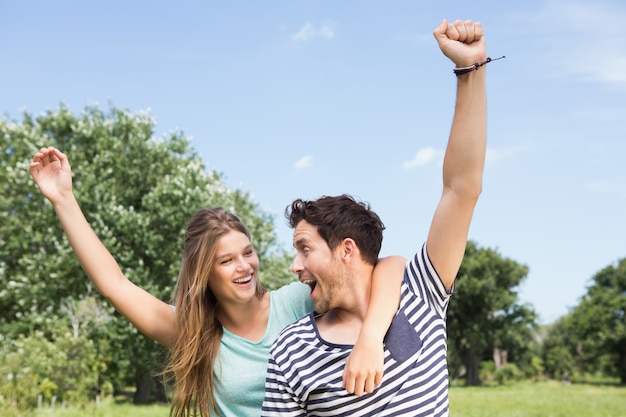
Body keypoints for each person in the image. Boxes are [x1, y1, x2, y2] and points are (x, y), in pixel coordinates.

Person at [29, 147, 406, 417]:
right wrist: (63, 199)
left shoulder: (296, 301)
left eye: (247, 252)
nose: (245, 267)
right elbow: (115, 285)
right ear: (204, 274)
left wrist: (371, 337)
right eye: (226, 260)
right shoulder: (193, 331)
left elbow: (387, 267)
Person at [262, 18, 490, 416]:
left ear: (346, 250)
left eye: (304, 249)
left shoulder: (420, 291)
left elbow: (461, 188)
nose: (295, 266)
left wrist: (470, 71)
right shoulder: (291, 349)